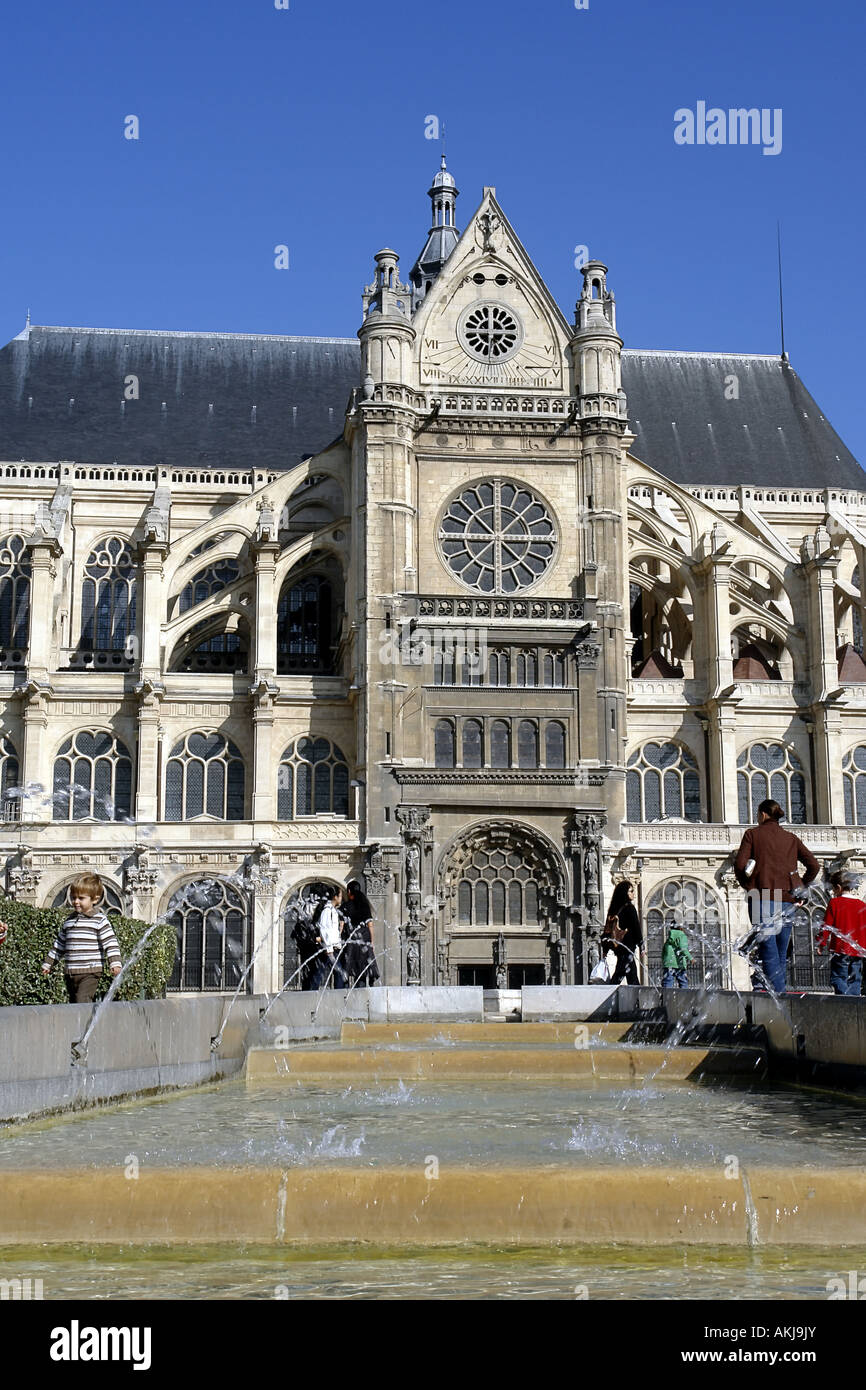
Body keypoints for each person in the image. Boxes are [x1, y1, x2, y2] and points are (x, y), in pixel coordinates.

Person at [734, 799, 820, 996]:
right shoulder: (790, 838)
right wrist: (799, 886)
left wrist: (748, 885)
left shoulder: (752, 835)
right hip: (788, 900)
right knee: (780, 953)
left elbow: (739, 865)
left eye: (757, 814)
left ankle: (779, 998)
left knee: (768, 949)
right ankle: (780, 995)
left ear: (763, 814)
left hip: (761, 897)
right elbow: (814, 866)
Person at [41, 873, 122, 1003]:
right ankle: (83, 1023)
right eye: (73, 898)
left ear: (94, 899)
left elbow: (110, 942)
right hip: (70, 972)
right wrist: (48, 963)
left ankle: (86, 1023)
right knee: (74, 1003)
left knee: (82, 1000)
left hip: (90, 971)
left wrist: (115, 962)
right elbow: (59, 945)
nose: (76, 902)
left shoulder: (99, 920)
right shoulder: (69, 921)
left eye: (81, 898)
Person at [817, 870, 866, 996]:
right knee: (855, 980)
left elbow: (826, 926)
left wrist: (821, 943)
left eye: (833, 890)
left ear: (838, 887)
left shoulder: (835, 903)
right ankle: (854, 1004)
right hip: (858, 951)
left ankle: (844, 1002)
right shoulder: (862, 905)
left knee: (838, 977)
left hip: (840, 949)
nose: (833, 893)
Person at [342, 880, 380, 987]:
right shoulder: (364, 904)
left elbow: (341, 925)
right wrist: (372, 942)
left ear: (349, 891)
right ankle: (369, 987)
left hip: (353, 938)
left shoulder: (346, 906)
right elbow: (370, 924)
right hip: (365, 936)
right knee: (367, 964)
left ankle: (357, 989)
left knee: (355, 967)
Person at [604, 880, 642, 985]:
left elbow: (607, 930)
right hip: (627, 945)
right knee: (621, 973)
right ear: (625, 893)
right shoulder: (629, 908)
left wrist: (605, 949)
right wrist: (641, 944)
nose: (633, 894)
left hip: (618, 946)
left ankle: (636, 997)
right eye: (631, 891)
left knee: (630, 973)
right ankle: (609, 993)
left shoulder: (614, 909)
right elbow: (636, 927)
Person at [314, 886, 348, 989]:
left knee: (320, 974)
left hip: (332, 949)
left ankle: (311, 994)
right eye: (340, 896)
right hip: (329, 949)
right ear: (335, 897)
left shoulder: (332, 910)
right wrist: (329, 950)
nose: (341, 898)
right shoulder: (327, 910)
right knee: (337, 975)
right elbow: (324, 930)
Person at [661, 918, 692, 989]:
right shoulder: (682, 935)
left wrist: (665, 962)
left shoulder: (669, 939)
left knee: (667, 982)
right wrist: (690, 958)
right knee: (683, 982)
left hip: (669, 964)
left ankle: (666, 998)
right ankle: (684, 998)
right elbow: (683, 948)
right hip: (679, 964)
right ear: (681, 928)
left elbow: (663, 952)